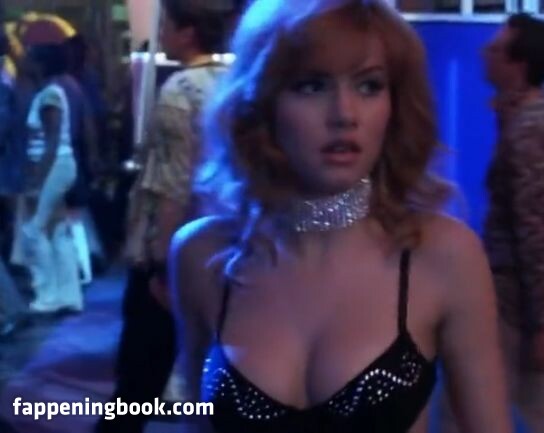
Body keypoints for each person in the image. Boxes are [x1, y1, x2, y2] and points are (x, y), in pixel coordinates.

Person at [171, 1, 513, 432]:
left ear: (395, 105)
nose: (345, 115)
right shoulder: (201, 254)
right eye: (312, 86)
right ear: (261, 102)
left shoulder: (444, 255)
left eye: (369, 86)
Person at [443, 14, 544, 433]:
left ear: (518, 64)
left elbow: (541, 233)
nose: (484, 53)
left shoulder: (532, 129)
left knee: (466, 409)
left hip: (514, 302)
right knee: (531, 402)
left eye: (495, 49)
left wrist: (543, 326)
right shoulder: (526, 119)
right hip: (518, 298)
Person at [96, 1, 240, 432]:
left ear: (188, 33)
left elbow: (172, 187)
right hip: (227, 242)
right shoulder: (233, 83)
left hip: (173, 252)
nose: (161, 37)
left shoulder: (180, 89)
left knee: (139, 373)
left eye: (168, 28)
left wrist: (160, 265)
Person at [13, 43, 83, 314]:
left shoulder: (49, 95)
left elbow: (52, 141)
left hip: (54, 166)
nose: (24, 62)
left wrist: (37, 180)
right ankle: (68, 294)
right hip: (58, 165)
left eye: (30, 58)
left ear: (41, 64)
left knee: (33, 230)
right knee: (56, 230)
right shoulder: (48, 92)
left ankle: (48, 294)